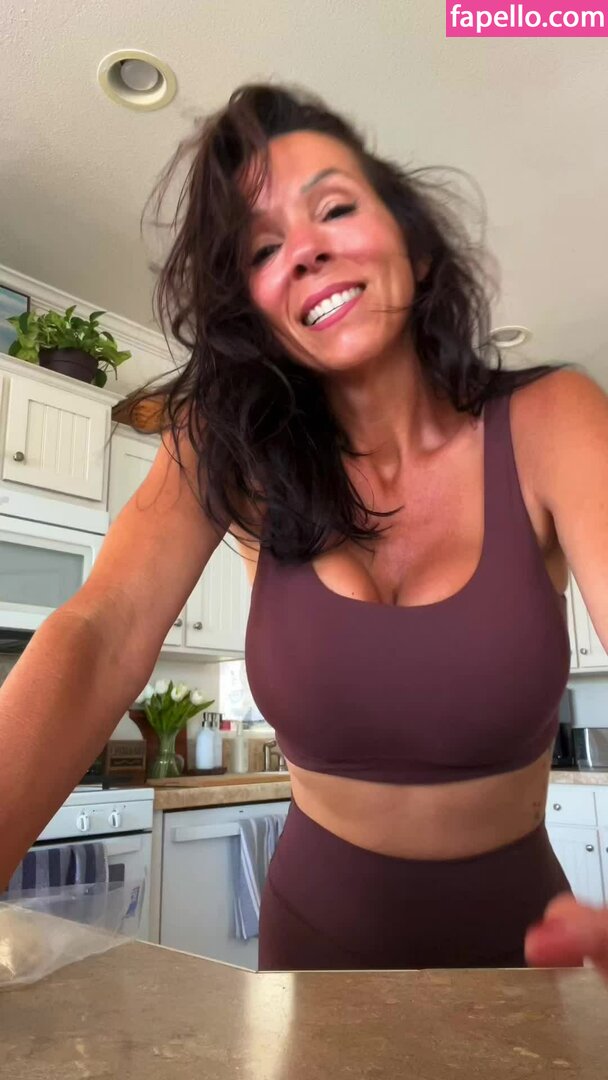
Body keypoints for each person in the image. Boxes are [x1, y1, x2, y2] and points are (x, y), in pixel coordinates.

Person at [1, 82, 607, 973]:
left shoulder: (555, 419)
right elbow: (101, 633)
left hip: (525, 962)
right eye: (263, 249)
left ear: (416, 247)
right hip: (311, 959)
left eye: (334, 208)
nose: (306, 251)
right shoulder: (229, 448)